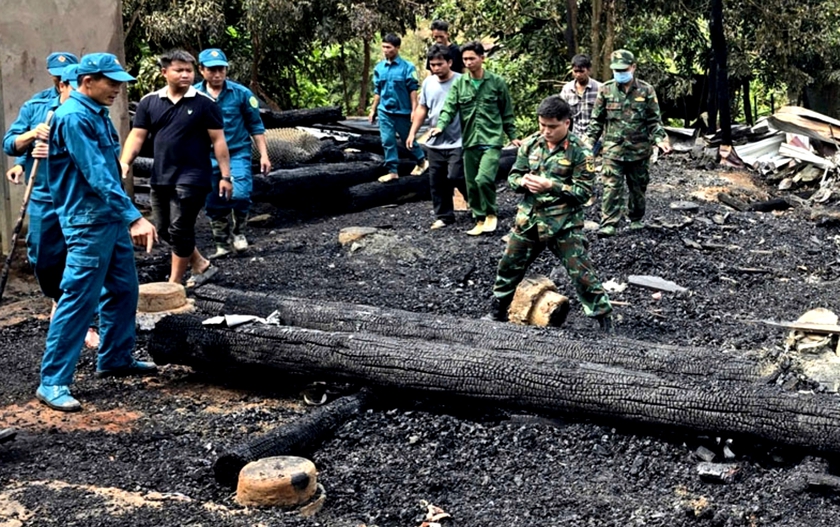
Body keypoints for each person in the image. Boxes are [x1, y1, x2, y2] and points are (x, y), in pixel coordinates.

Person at [40, 53, 158, 412]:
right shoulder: (74, 117)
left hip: (107, 218)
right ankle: (53, 380)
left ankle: (116, 357)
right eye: (111, 82)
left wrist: (123, 216)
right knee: (79, 298)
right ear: (87, 81)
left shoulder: (95, 113)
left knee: (124, 289)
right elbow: (97, 174)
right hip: (87, 222)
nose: (118, 89)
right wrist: (133, 216)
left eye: (121, 83)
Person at [485, 96, 613, 332]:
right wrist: (522, 181)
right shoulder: (530, 144)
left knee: (582, 273)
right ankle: (497, 312)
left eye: (552, 126)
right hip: (530, 220)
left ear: (567, 123)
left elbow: (584, 193)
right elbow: (513, 176)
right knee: (509, 265)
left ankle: (604, 320)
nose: (546, 131)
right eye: (542, 125)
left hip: (563, 223)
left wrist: (551, 186)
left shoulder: (580, 152)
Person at [3, 59, 100, 349]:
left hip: (78, 195)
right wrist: (31, 142)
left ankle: (87, 319)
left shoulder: (91, 111)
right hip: (45, 193)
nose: (66, 84)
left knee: (82, 259)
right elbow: (11, 143)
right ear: (58, 83)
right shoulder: (37, 106)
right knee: (42, 256)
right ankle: (59, 297)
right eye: (61, 79)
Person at [120, 50, 232, 285]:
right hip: (161, 177)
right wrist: (125, 161)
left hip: (193, 177)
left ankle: (175, 283)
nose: (185, 75)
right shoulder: (149, 102)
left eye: (189, 71)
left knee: (181, 229)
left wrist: (225, 176)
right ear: (164, 73)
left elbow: (219, 141)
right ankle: (201, 264)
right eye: (179, 70)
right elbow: (137, 136)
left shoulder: (205, 104)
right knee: (163, 230)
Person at [432, 41, 519, 236]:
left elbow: (507, 112)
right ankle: (479, 217)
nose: (468, 62)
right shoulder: (460, 83)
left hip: (491, 139)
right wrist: (440, 126)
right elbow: (449, 107)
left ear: (482, 58)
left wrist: (513, 136)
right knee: (471, 183)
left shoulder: (497, 83)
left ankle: (491, 213)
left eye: (472, 58)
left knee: (483, 178)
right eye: (465, 59)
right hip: (470, 140)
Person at [584, 49, 671, 238]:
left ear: (633, 67)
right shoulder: (605, 89)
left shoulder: (646, 90)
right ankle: (609, 224)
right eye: (616, 69)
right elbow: (596, 121)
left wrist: (660, 140)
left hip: (639, 151)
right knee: (611, 187)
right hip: (613, 151)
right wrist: (588, 142)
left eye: (624, 69)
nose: (620, 73)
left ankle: (636, 219)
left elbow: (654, 121)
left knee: (638, 187)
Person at [195, 48, 271, 257]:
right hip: (206, 156)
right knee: (213, 199)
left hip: (236, 152)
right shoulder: (193, 95)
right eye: (211, 70)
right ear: (201, 70)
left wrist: (264, 154)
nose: (217, 74)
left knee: (240, 193)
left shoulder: (241, 94)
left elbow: (256, 126)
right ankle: (222, 243)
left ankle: (239, 232)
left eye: (221, 69)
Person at [406, 44, 467, 230]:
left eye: (440, 64)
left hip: (459, 138)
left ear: (449, 62)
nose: (436, 68)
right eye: (432, 65)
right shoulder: (428, 83)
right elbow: (422, 108)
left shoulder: (463, 81)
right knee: (437, 180)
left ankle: (478, 203)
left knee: (457, 175)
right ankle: (444, 216)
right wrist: (413, 132)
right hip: (436, 141)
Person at [369, 33, 426, 183]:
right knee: (387, 140)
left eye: (389, 47)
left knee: (408, 140)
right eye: (383, 47)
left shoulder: (407, 67)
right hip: (385, 111)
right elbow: (378, 91)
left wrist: (414, 109)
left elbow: (412, 89)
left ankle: (421, 161)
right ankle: (392, 170)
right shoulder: (379, 68)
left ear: (397, 48)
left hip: (403, 111)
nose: (385, 50)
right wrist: (373, 109)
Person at [559, 54, 601, 139]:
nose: (578, 74)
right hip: (575, 137)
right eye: (575, 71)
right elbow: (561, 113)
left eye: (581, 71)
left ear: (589, 70)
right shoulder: (567, 89)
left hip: (595, 138)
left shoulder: (599, 89)